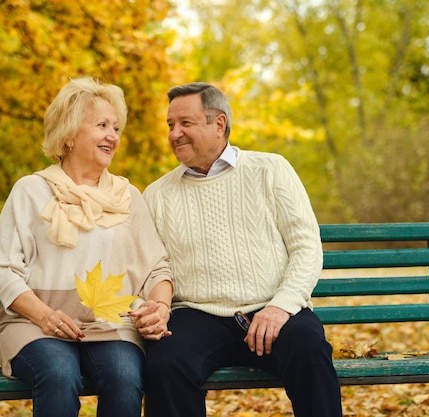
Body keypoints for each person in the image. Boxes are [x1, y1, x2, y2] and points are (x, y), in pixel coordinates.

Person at [141, 82, 342, 417]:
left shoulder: (270, 169)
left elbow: (306, 247)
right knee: (164, 364)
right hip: (196, 315)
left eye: (185, 123)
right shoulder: (157, 194)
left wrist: (282, 306)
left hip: (274, 308)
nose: (174, 134)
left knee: (309, 348)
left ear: (219, 124)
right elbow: (151, 268)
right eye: (170, 125)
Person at [0, 77, 173, 417]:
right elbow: (4, 272)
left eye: (116, 128)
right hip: (34, 323)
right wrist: (45, 317)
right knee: (59, 373)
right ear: (69, 135)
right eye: (101, 125)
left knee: (125, 376)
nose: (113, 136)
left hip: (109, 324)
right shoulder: (31, 191)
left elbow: (156, 268)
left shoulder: (128, 197)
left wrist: (160, 307)